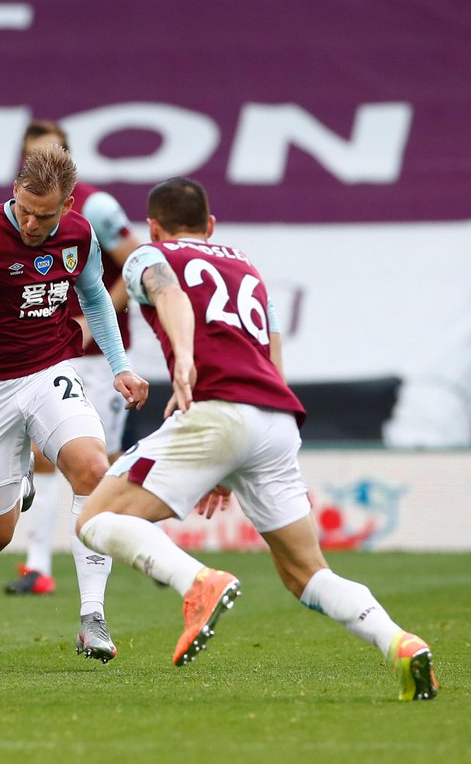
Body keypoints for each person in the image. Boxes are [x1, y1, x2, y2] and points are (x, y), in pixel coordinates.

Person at [76, 176, 438, 701]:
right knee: (306, 573)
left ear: (153, 227)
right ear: (210, 225)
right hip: (274, 419)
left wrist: (185, 359)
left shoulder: (148, 257)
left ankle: (196, 582)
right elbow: (272, 351)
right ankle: (399, 642)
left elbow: (169, 293)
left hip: (216, 411)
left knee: (95, 519)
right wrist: (233, 457)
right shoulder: (247, 268)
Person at [0, 142, 149, 663]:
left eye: (44, 215)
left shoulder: (80, 235)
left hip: (51, 371)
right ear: (15, 191)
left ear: (67, 205)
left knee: (93, 469)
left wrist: (119, 366)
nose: (30, 223)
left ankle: (92, 617)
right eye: (24, 209)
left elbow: (95, 297)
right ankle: (23, 474)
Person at [4, 121, 143, 606]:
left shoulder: (96, 206)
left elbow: (135, 263)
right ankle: (39, 566)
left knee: (101, 462)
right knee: (44, 454)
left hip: (99, 359)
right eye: (30, 156)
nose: (39, 163)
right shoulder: (23, 212)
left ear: (66, 158)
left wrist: (91, 319)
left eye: (48, 153)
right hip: (52, 354)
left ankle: (146, 543)